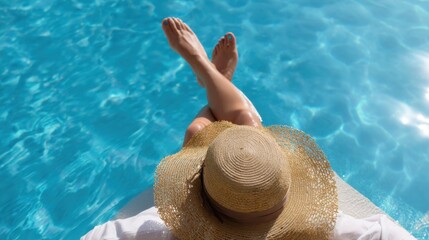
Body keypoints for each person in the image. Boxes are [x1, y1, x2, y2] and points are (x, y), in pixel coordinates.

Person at [81, 17, 416, 240]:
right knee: (246, 136)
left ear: (198, 201)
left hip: (216, 200)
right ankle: (213, 79)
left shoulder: (152, 230)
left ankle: (209, 75)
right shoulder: (339, 231)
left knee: (202, 134)